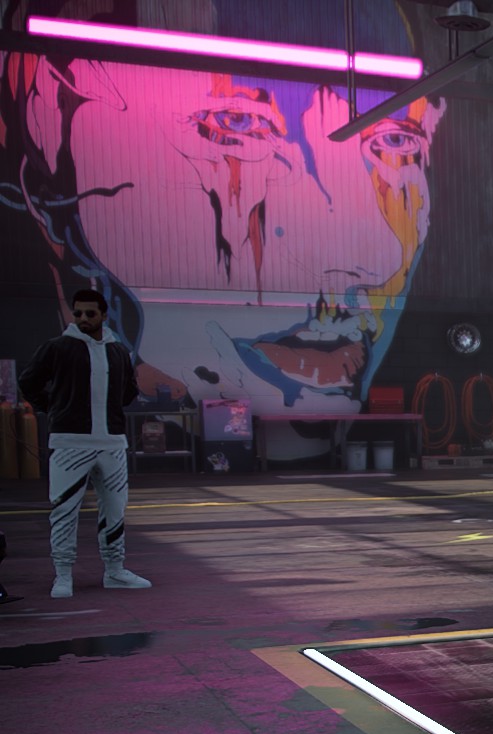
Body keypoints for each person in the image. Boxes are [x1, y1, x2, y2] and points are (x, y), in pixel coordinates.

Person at [1, 0, 444, 461]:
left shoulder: (99, 355)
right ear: (48, 132)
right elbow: (34, 386)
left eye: (395, 141)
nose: (380, 260)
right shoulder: (68, 352)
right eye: (237, 123)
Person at [20, 289, 152, 598]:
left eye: (90, 313)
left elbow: (129, 390)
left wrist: (108, 412)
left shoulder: (118, 351)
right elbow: (29, 381)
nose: (82, 318)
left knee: (115, 510)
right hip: (70, 443)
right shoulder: (57, 348)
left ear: (103, 315)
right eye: (78, 313)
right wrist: (55, 409)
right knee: (64, 510)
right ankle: (63, 574)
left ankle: (115, 570)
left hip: (112, 443)